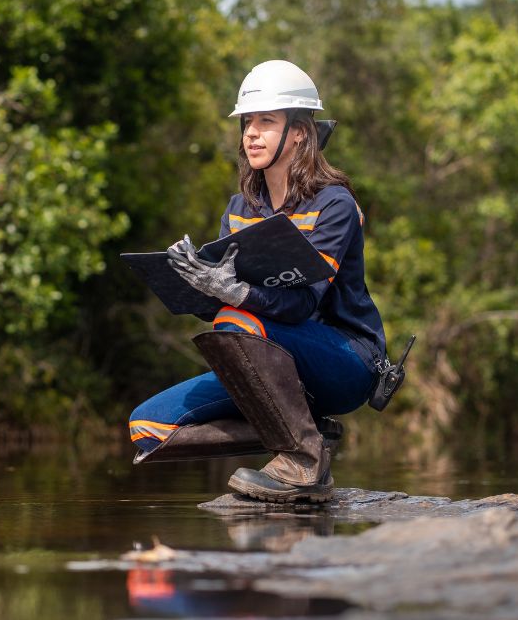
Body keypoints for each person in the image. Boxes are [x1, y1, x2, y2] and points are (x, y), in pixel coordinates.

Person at [128, 60, 387, 503]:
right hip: (269, 362)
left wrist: (234, 294)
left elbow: (302, 305)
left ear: (300, 132)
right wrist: (197, 284)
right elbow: (224, 308)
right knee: (147, 429)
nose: (251, 133)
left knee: (237, 317)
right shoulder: (241, 208)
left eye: (266, 122)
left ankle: (305, 462)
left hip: (345, 360)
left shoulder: (335, 204)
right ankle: (306, 433)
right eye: (247, 122)